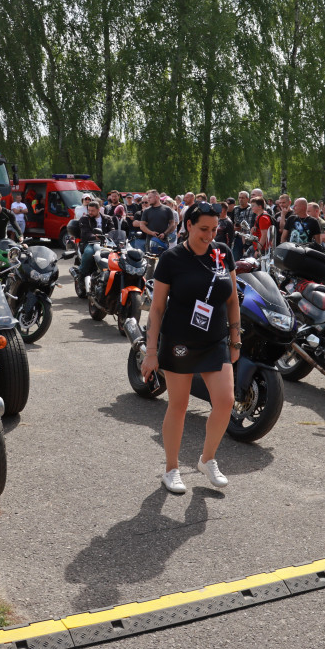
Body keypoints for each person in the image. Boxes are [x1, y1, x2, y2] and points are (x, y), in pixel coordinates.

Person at [141, 202, 240, 493]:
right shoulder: (172, 258)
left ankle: (207, 459)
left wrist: (235, 339)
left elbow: (232, 300)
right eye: (203, 229)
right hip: (179, 341)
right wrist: (150, 351)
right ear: (188, 226)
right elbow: (157, 309)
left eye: (214, 229)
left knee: (225, 401)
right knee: (179, 406)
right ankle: (171, 469)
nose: (210, 235)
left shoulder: (223, 254)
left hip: (215, 340)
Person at [74, 200, 117, 296]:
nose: (90, 212)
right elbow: (85, 234)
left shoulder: (107, 218)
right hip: (90, 243)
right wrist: (97, 237)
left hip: (106, 243)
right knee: (89, 254)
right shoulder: (85, 219)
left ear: (99, 210)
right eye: (89, 210)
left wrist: (111, 236)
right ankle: (81, 276)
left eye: (92, 210)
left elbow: (112, 230)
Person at [135, 189, 176, 255]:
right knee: (150, 263)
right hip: (150, 241)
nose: (148, 200)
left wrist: (165, 233)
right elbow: (142, 225)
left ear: (156, 197)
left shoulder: (167, 209)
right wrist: (151, 233)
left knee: (163, 262)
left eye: (150, 198)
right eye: (148, 198)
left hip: (164, 241)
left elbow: (172, 223)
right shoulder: (147, 211)